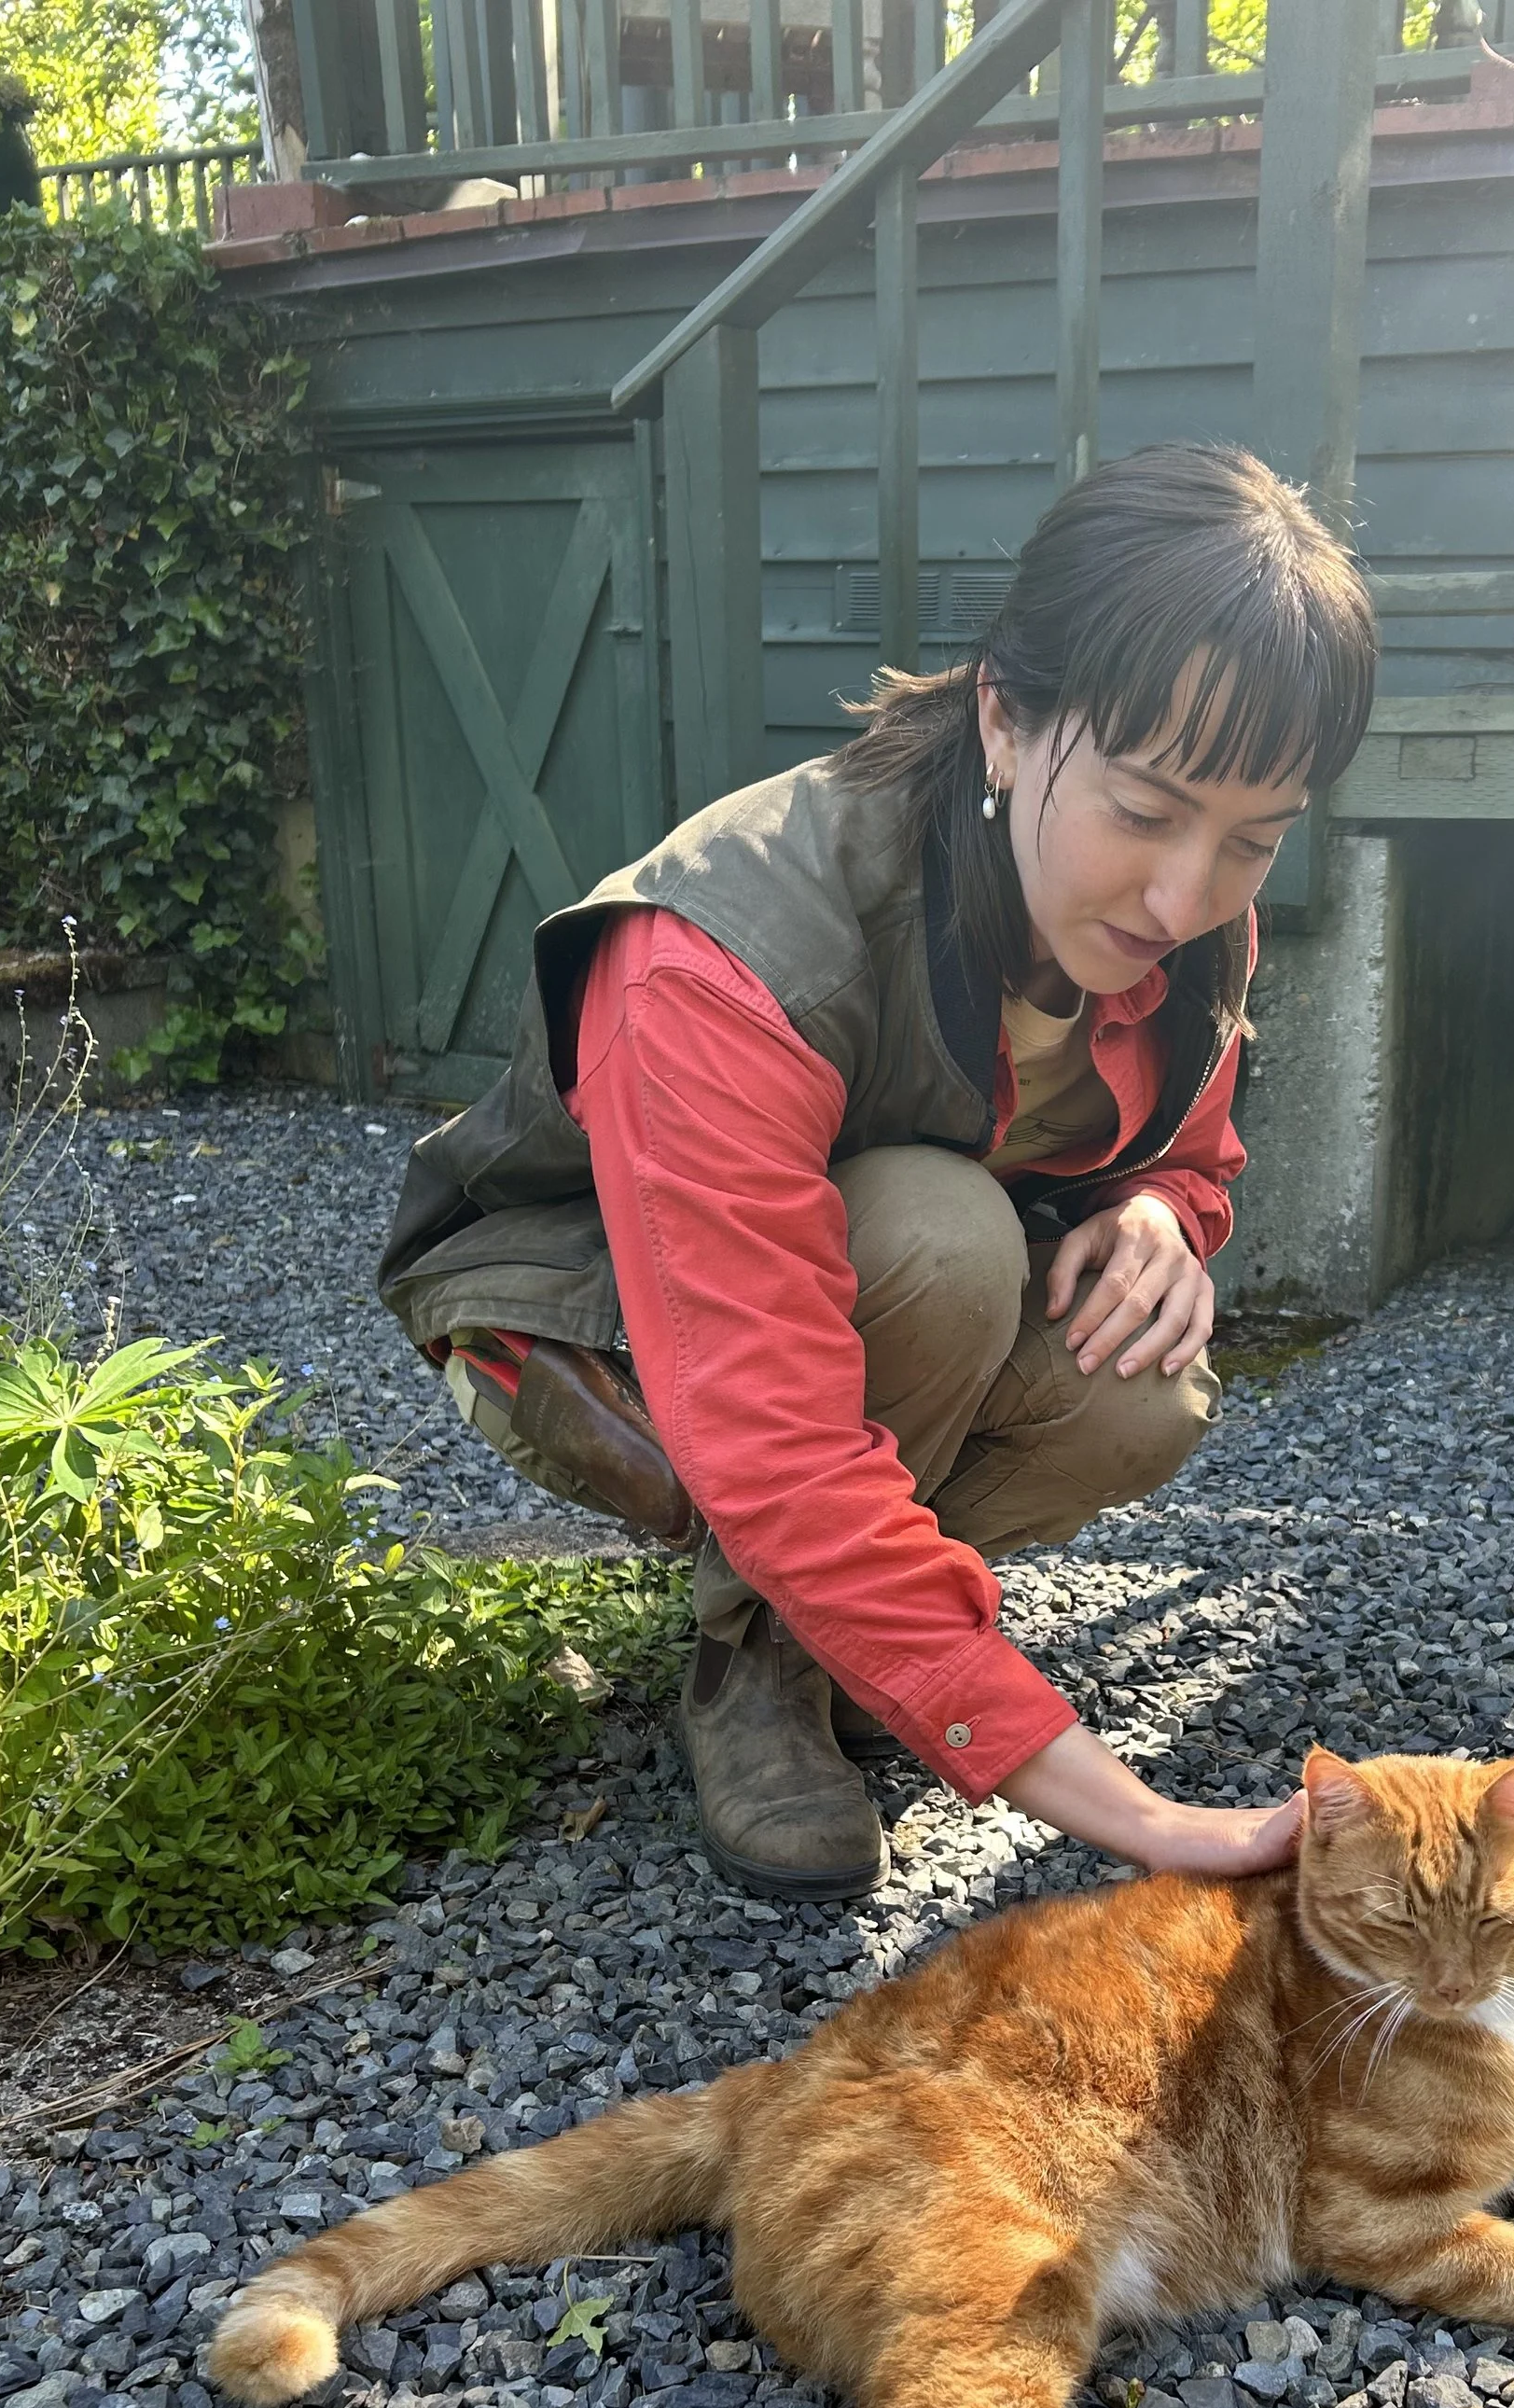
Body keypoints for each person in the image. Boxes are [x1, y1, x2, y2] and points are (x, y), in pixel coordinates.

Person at [379, 441, 1379, 1902]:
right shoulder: (721, 954)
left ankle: (860, 1636)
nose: (1189, 895)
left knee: (1138, 1396)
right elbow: (775, 1441)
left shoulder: (1178, 922)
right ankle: (758, 1665)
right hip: (587, 1318)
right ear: (1007, 721)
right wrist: (1139, 1816)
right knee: (943, 1239)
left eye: (1255, 841)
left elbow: (1194, 1147)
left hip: (850, 1305)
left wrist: (1162, 1213)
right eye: (1149, 813)